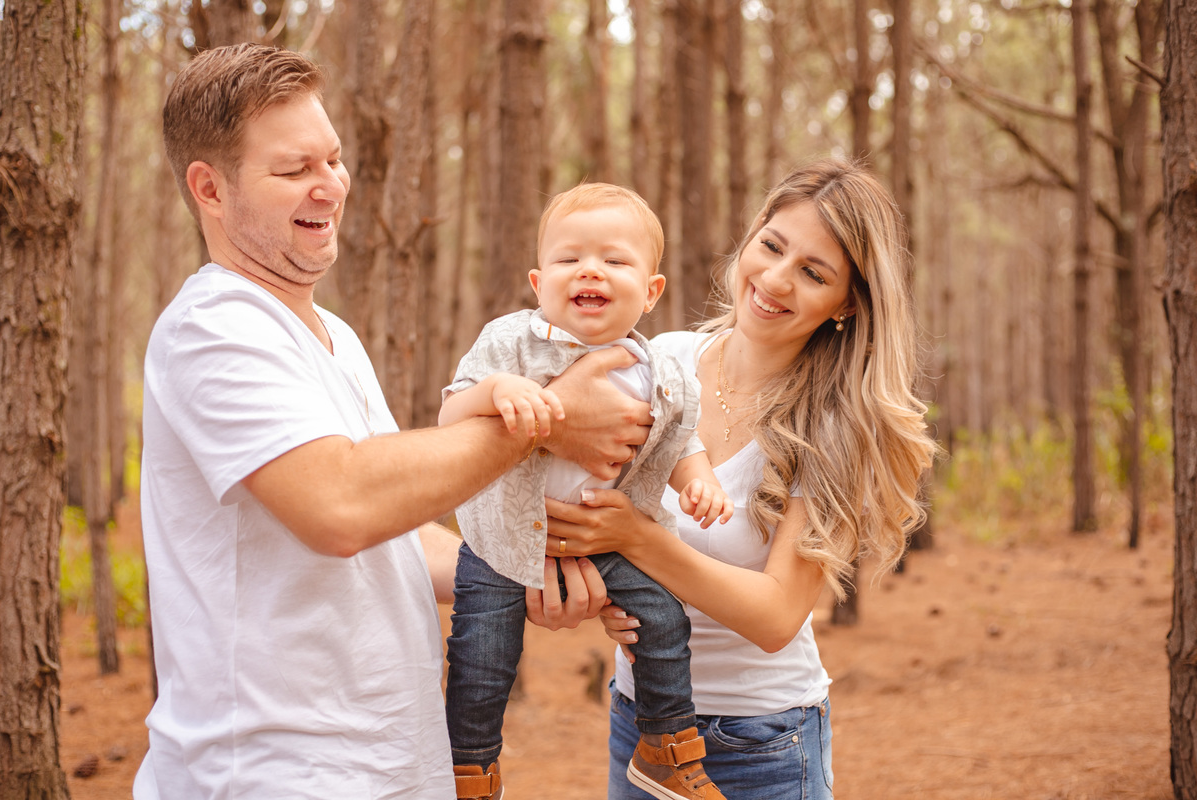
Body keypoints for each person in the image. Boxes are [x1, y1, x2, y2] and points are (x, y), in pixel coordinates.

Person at [135, 43, 651, 799]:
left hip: (391, 766)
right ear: (210, 188)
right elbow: (340, 506)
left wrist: (518, 568)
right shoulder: (212, 328)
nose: (331, 186)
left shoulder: (333, 337)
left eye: (333, 159)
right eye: (294, 170)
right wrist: (550, 418)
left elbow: (396, 531)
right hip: (275, 773)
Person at [543, 159, 939, 799]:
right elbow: (585, 500)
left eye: (814, 273)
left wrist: (640, 544)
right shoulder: (659, 361)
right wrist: (615, 600)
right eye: (772, 245)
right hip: (639, 720)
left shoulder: (833, 425)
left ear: (847, 304)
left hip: (760, 743)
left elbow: (778, 614)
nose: (775, 279)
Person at [439, 183, 734, 800]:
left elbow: (679, 443)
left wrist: (699, 480)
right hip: (504, 537)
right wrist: (495, 391)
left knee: (662, 621)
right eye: (569, 259)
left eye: (615, 260)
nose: (589, 270)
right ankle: (469, 769)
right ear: (538, 281)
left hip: (606, 539)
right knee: (481, 653)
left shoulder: (664, 371)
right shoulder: (510, 343)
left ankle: (666, 746)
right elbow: (449, 416)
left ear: (651, 292)